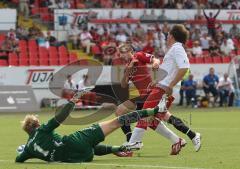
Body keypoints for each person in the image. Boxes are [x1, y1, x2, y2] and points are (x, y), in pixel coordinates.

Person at [15, 89, 165, 163]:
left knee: (89, 146)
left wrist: (24, 149)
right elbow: (59, 118)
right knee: (118, 121)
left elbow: (18, 160)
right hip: (74, 142)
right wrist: (73, 100)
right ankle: (156, 110)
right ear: (36, 124)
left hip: (81, 157)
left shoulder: (29, 148)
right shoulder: (42, 130)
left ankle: (120, 148)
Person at [129, 24, 201, 152]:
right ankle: (192, 135)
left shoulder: (177, 48)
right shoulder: (174, 49)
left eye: (167, 35)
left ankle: (134, 142)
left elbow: (184, 68)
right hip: (160, 86)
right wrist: (156, 81)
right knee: (153, 119)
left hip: (163, 89)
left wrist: (170, 85)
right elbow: (169, 69)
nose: (166, 37)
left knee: (146, 112)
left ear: (172, 36)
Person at [115, 44, 186, 156]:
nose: (121, 55)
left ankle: (130, 146)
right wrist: (128, 70)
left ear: (130, 51)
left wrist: (155, 63)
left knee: (154, 121)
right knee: (121, 112)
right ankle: (130, 141)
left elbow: (155, 59)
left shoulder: (138, 56)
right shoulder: (128, 65)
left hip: (149, 94)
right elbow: (123, 84)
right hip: (139, 96)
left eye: (122, 52)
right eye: (120, 53)